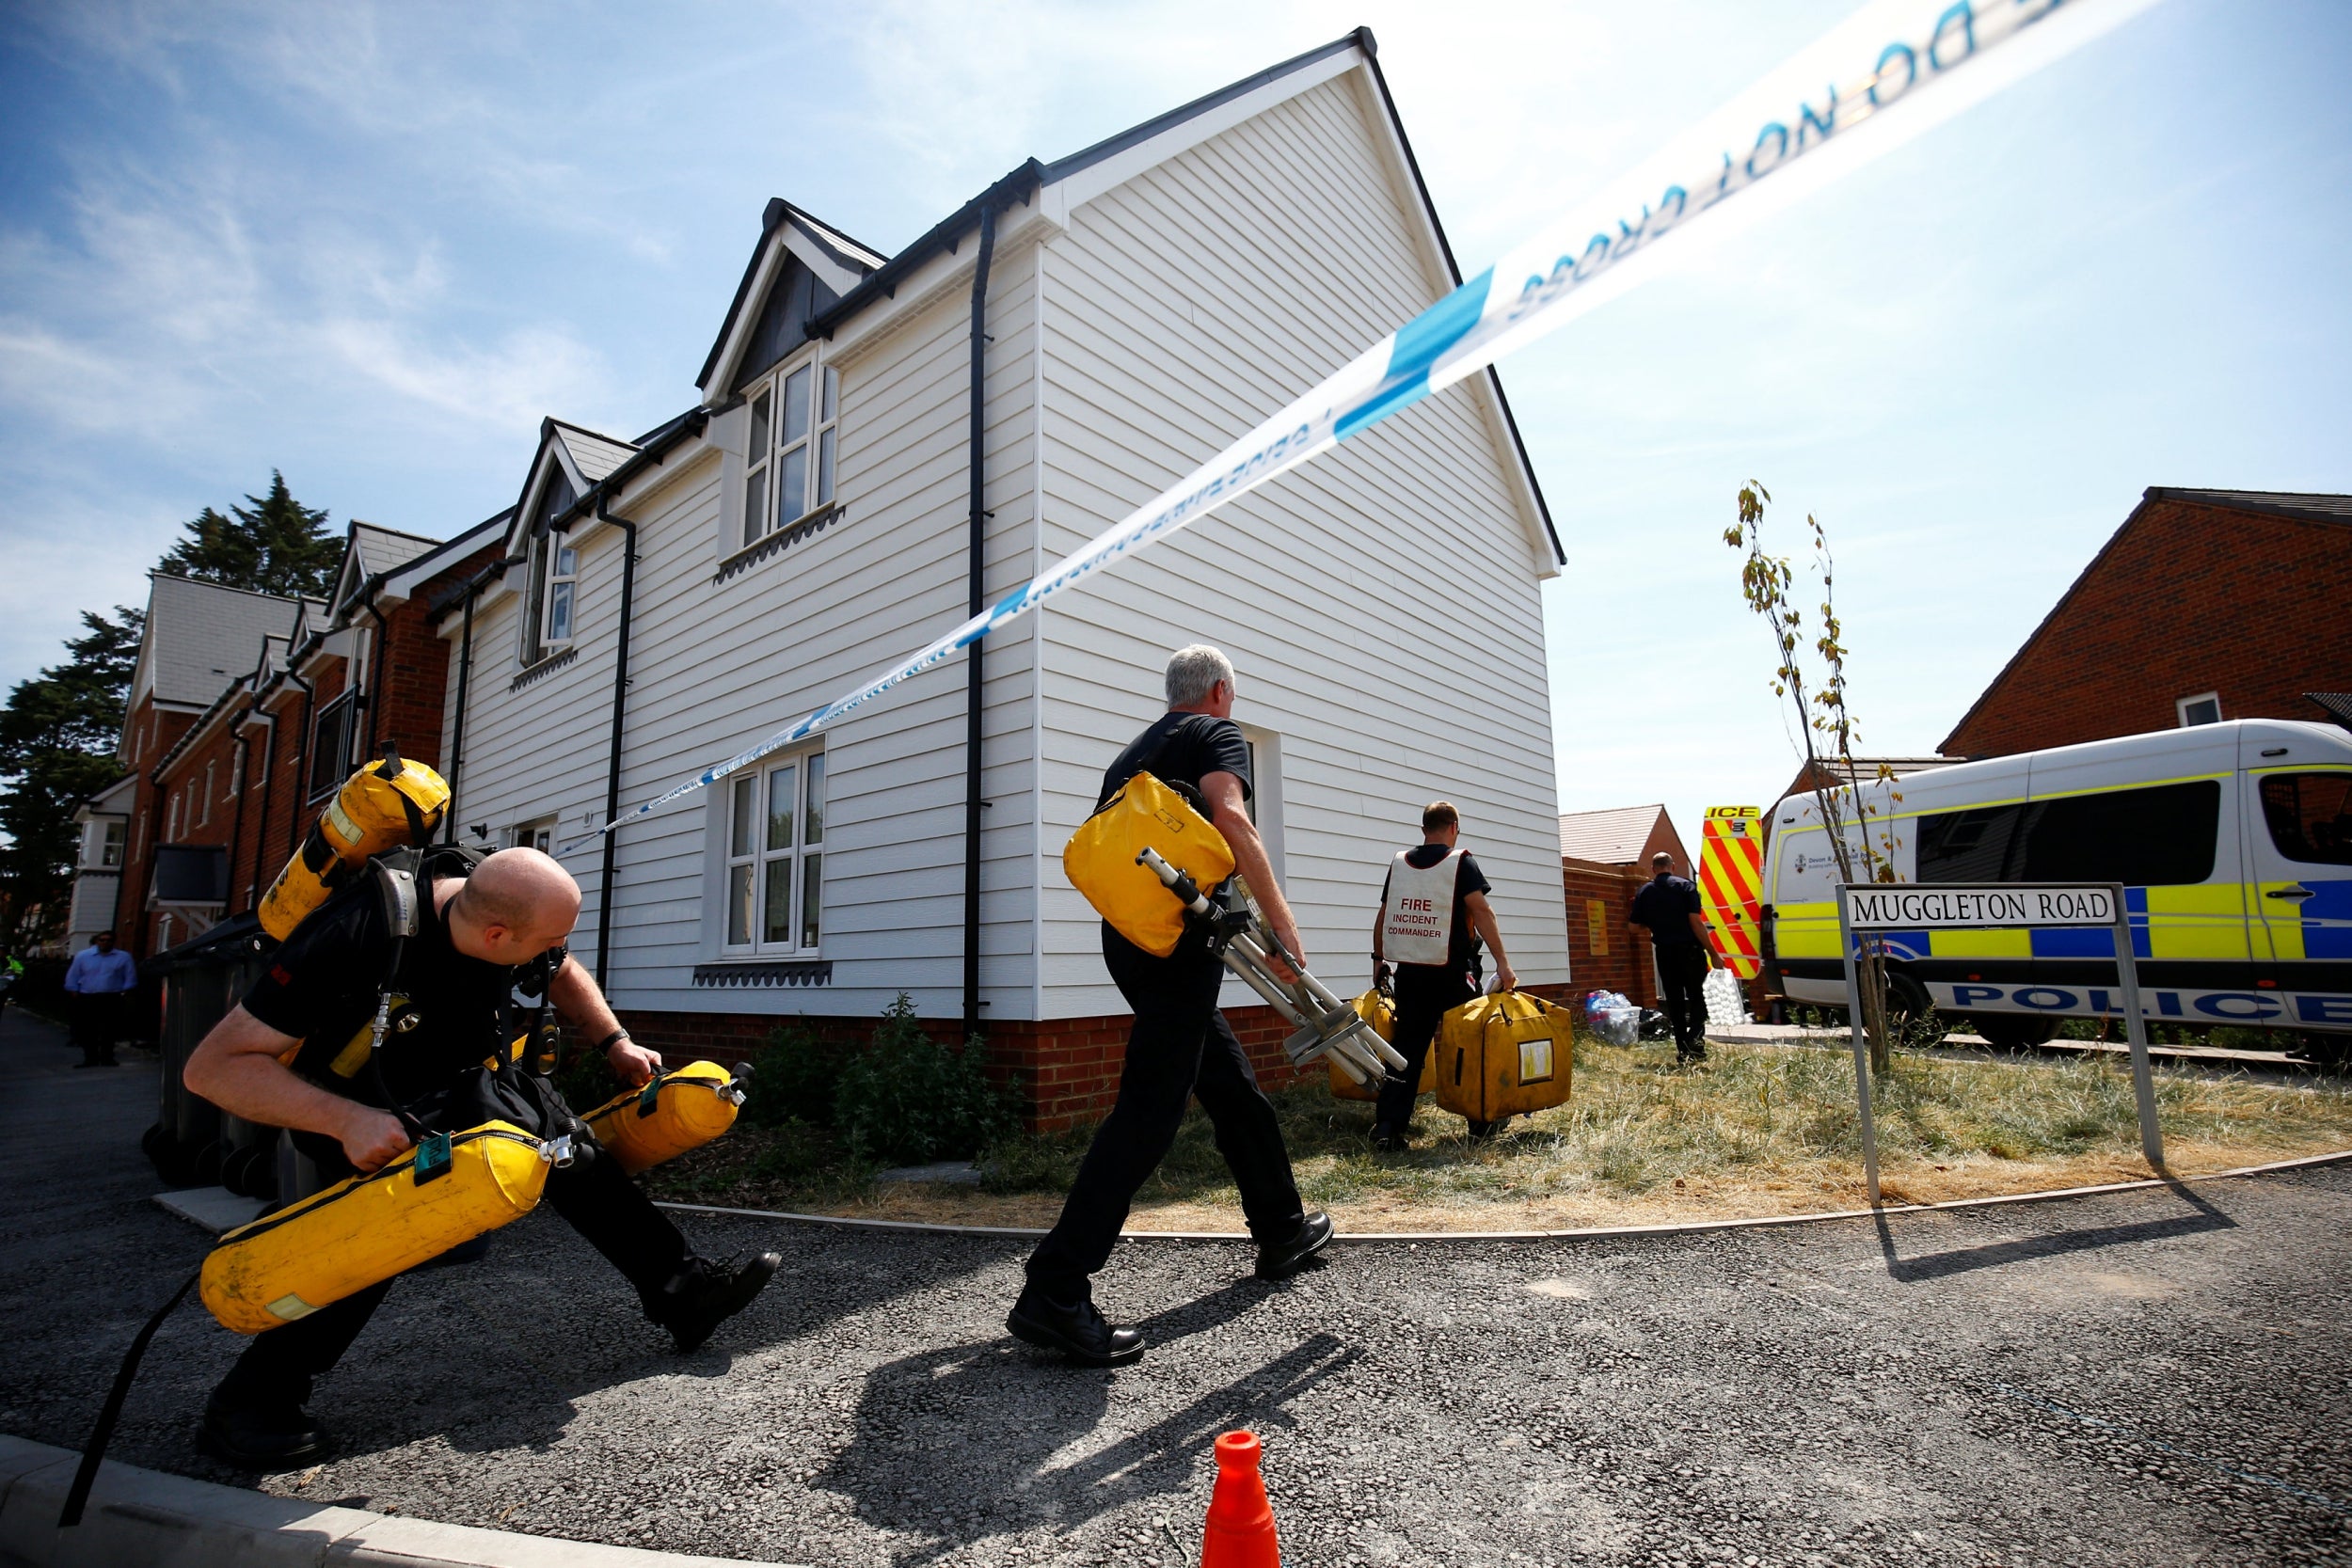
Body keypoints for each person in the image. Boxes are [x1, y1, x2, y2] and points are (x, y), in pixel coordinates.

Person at [182, 846, 780, 1468]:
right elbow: (212, 1068)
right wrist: (347, 1121)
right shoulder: (355, 933)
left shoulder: (506, 911)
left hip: (471, 1072)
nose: (552, 952)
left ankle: (683, 1292)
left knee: (574, 1152)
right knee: (380, 1235)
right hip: (364, 1104)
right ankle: (249, 1405)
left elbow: (561, 966)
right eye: (544, 940)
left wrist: (614, 1040)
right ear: (495, 934)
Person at [1009, 645, 1333, 1367]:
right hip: (1182, 941)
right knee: (1151, 1109)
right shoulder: (1214, 734)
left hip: (1130, 941)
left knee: (1225, 1077)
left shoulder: (1132, 755)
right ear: (1220, 691)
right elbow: (1234, 820)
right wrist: (1285, 929)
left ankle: (1280, 1226)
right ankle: (1055, 1291)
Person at [1367, 801, 1519, 1149]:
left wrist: (1378, 960)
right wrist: (1504, 963)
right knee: (1470, 1044)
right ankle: (1481, 1125)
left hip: (1411, 974)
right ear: (1453, 827)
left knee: (1405, 1051)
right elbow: (1481, 911)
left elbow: (1384, 915)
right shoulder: (1460, 862)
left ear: (1424, 829)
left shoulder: (1401, 863)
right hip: (1454, 973)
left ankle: (1389, 1128)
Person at [1629, 849, 1715, 1064]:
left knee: (1674, 1001)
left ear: (1653, 869)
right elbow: (1696, 922)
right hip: (1690, 951)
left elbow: (1632, 927)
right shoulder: (1686, 886)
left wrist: (1655, 922)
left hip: (1665, 953)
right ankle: (1695, 1044)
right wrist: (1713, 953)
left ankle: (1683, 1049)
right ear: (1673, 866)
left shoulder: (1644, 892)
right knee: (1697, 997)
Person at [63, 929, 137, 1068]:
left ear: (113, 942)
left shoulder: (123, 957)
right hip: (88, 996)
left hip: (111, 996)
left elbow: (130, 976)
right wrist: (73, 990)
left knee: (109, 1030)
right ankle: (90, 1058)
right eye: (102, 940)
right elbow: (74, 974)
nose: (105, 943)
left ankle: (107, 1058)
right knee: (88, 1030)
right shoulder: (83, 956)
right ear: (97, 941)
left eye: (108, 940)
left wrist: (125, 991)